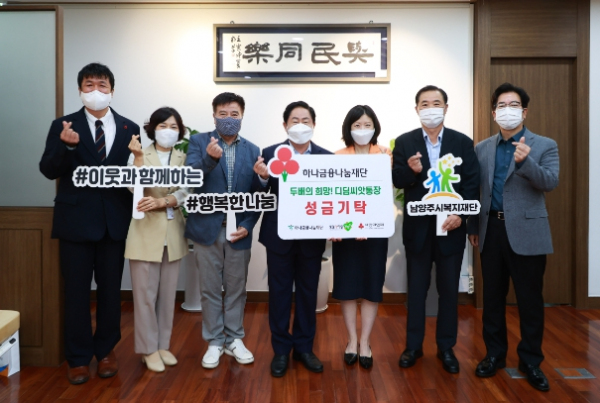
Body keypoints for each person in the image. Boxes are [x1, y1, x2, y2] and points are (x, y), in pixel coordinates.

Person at [39, 63, 139, 384]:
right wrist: (67, 146)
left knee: (110, 292)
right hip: (75, 222)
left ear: (112, 90)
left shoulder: (129, 127)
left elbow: (134, 176)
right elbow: (48, 169)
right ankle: (78, 358)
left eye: (102, 85)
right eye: (89, 84)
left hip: (114, 223)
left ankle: (106, 351)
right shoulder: (62, 125)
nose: (96, 90)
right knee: (76, 293)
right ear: (80, 89)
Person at [468, 83, 559, 392]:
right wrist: (472, 226)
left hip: (528, 232)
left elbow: (550, 182)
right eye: (502, 106)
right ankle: (494, 355)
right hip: (490, 230)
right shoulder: (482, 148)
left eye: (514, 105)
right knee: (492, 298)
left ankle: (531, 361)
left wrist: (526, 162)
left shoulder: (544, 145)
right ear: (494, 113)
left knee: (530, 300)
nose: (508, 110)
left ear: (524, 111)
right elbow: (475, 190)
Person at [392, 85, 479, 374]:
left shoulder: (462, 142)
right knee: (416, 291)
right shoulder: (404, 142)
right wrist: (412, 171)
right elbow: (397, 179)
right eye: (425, 104)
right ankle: (413, 346)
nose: (431, 108)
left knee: (449, 291)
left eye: (436, 103)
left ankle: (446, 347)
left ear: (446, 108)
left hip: (450, 228)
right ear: (417, 109)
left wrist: (460, 214)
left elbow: (471, 183)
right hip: (418, 230)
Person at [253, 101, 332, 377]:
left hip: (311, 238)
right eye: (294, 120)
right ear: (285, 125)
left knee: (308, 294)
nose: (300, 125)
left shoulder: (326, 157)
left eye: (305, 120)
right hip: (279, 237)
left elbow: (332, 198)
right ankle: (280, 350)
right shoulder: (269, 153)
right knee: (279, 295)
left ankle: (304, 348)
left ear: (314, 124)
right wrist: (263, 179)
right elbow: (258, 195)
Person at [185, 92, 261, 369]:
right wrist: (209, 160)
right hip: (207, 229)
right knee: (209, 289)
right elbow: (190, 179)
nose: (229, 119)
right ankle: (215, 341)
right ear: (214, 115)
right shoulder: (199, 142)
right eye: (223, 114)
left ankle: (234, 338)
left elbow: (257, 195)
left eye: (234, 114)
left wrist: (247, 225)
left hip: (238, 230)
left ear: (242, 116)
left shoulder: (253, 150)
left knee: (236, 288)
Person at [124, 107, 189, 372]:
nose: (168, 131)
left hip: (173, 232)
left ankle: (163, 345)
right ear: (152, 129)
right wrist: (138, 159)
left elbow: (188, 189)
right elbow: (132, 186)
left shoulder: (184, 157)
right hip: (144, 232)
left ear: (180, 131)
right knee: (144, 296)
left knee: (167, 294)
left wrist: (166, 200)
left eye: (173, 127)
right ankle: (148, 349)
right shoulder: (139, 155)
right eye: (162, 126)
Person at [330, 105, 391, 369]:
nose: (362, 130)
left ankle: (365, 342)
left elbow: (384, 194)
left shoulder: (385, 155)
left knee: (370, 285)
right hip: (345, 231)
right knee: (347, 285)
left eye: (367, 125)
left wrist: (367, 222)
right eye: (357, 125)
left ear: (375, 128)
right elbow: (332, 196)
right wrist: (335, 225)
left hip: (375, 230)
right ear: (349, 128)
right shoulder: (338, 156)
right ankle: (351, 340)